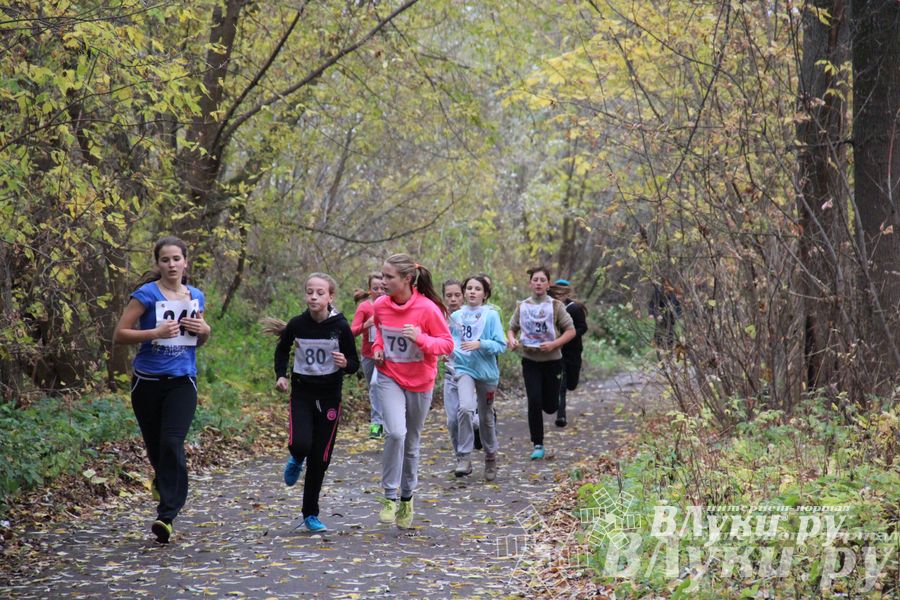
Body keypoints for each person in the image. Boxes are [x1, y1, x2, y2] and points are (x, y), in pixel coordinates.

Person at [113, 236, 211, 544]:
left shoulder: (195, 295)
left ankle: (166, 516)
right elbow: (119, 334)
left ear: (185, 262)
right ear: (158, 264)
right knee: (157, 450)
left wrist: (204, 331)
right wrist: (153, 332)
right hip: (147, 383)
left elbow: (199, 339)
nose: (171, 264)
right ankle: (163, 480)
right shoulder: (146, 295)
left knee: (172, 442)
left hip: (183, 381)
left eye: (176, 259)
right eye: (165, 260)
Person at [271, 273, 359, 532]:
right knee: (301, 443)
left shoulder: (341, 327)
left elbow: (353, 362)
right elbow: (282, 348)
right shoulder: (297, 324)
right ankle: (296, 458)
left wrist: (346, 364)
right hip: (302, 393)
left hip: (330, 396)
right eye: (310, 292)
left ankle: (310, 513)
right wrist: (280, 375)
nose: (313, 296)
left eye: (320, 293)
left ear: (330, 297)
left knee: (320, 458)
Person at [372, 254, 453, 529]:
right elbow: (380, 333)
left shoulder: (428, 309)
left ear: (406, 279)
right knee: (396, 433)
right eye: (382, 276)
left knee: (411, 442)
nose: (383, 282)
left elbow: (446, 345)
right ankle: (389, 496)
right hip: (389, 375)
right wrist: (378, 348)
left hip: (420, 382)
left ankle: (407, 498)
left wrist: (420, 338)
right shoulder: (380, 305)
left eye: (388, 277)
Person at [507, 266, 575, 460]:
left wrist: (554, 344)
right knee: (534, 401)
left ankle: (554, 405)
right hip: (530, 361)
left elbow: (571, 331)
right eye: (535, 280)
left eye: (542, 280)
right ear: (530, 284)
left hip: (553, 361)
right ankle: (538, 443)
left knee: (551, 407)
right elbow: (512, 329)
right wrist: (512, 340)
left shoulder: (556, 306)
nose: (538, 283)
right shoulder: (523, 306)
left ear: (548, 284)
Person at [449, 275, 506, 480]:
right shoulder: (456, 316)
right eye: (469, 288)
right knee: (464, 408)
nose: (472, 292)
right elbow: (450, 341)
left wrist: (480, 343)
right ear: (464, 292)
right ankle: (464, 456)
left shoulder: (491, 316)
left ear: (485, 294)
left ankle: (490, 456)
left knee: (485, 416)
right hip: (464, 369)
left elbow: (501, 345)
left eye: (477, 289)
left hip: (487, 373)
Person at [548, 279, 588, 427]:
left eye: (563, 292)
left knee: (571, 383)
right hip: (557, 352)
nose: (559, 295)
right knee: (561, 384)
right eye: (557, 293)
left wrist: (569, 335)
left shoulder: (574, 308)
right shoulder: (549, 307)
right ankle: (561, 416)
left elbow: (583, 327)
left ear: (568, 293)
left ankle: (572, 382)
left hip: (573, 352)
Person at [350, 273, 386, 439]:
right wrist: (367, 324)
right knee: (374, 389)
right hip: (368, 355)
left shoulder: (392, 304)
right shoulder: (365, 307)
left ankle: (378, 425)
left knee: (376, 385)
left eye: (382, 287)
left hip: (388, 356)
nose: (379, 291)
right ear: (369, 290)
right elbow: (352, 331)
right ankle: (378, 426)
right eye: (375, 288)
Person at [441, 279, 464, 465]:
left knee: (471, 420)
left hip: (472, 375)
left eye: (457, 295)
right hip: (450, 374)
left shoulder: (473, 316)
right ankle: (461, 458)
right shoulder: (439, 318)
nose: (453, 299)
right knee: (452, 422)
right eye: (449, 295)